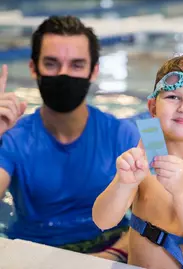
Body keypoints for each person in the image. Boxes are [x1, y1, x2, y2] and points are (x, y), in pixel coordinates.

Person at [0, 15, 140, 262]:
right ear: (33, 68)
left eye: (76, 65)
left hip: (112, 247)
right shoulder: (12, 137)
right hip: (35, 253)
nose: (64, 74)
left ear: (93, 71)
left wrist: (113, 254)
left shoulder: (125, 133)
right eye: (52, 64)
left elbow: (162, 216)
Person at [92, 53, 183, 268]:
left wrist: (182, 191)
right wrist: (124, 182)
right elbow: (102, 221)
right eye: (173, 97)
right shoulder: (148, 150)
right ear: (153, 108)